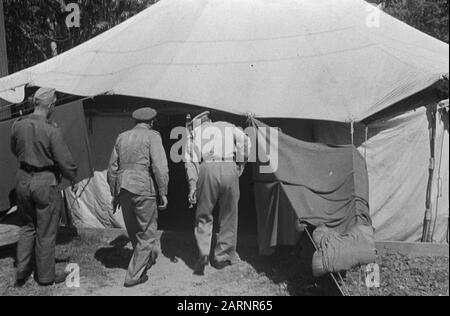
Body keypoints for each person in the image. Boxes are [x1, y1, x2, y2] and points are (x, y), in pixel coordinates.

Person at [10, 87, 78, 287]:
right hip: (44, 182)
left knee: (26, 227)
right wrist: (72, 177)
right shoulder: (51, 129)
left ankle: (21, 271)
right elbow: (64, 160)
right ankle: (46, 277)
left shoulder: (17, 125)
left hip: (22, 179)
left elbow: (14, 149)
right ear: (50, 105)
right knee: (46, 231)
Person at [107, 107, 169, 288]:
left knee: (134, 230)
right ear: (151, 122)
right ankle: (134, 276)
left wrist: (114, 193)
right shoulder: (153, 136)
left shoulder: (122, 136)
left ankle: (144, 261)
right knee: (147, 233)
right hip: (143, 187)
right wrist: (163, 191)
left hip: (124, 187)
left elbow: (112, 168)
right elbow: (160, 167)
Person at [185, 111, 251, 275]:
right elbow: (245, 140)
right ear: (210, 120)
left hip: (207, 168)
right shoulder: (228, 126)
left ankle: (203, 253)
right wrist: (241, 162)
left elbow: (190, 161)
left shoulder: (195, 132)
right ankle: (222, 257)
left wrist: (193, 185)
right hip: (229, 166)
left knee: (204, 213)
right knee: (229, 214)